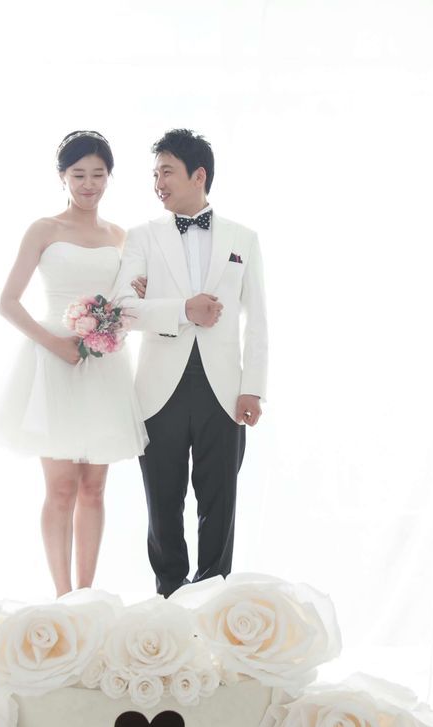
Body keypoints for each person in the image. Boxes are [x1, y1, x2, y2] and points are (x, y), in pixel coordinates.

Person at [112, 128, 269, 597]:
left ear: (198, 175)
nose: (158, 183)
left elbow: (258, 319)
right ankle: (168, 599)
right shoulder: (141, 238)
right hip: (158, 389)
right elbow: (122, 309)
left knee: (220, 503)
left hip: (224, 390)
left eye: (167, 172)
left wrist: (253, 387)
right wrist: (183, 310)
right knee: (162, 503)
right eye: (154, 174)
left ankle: (213, 599)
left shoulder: (244, 238)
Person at [0, 130, 147, 598]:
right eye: (79, 175)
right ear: (62, 176)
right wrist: (55, 344)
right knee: (60, 488)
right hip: (54, 362)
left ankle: (86, 595)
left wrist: (126, 310)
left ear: (110, 178)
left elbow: (128, 303)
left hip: (103, 364)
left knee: (93, 488)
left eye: (98, 175)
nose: (89, 184)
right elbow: (8, 302)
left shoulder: (120, 237)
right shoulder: (44, 230)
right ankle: (62, 596)